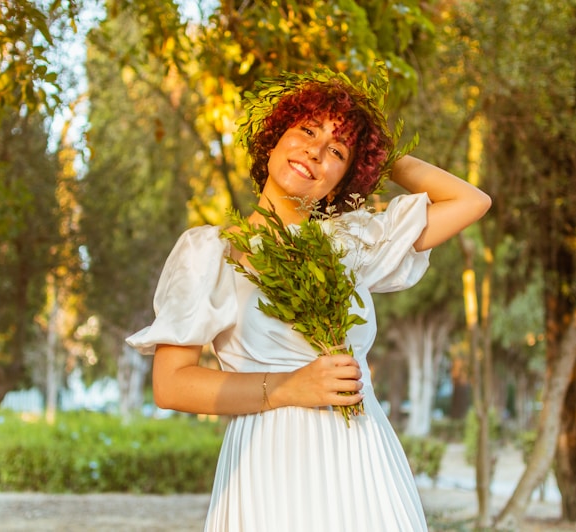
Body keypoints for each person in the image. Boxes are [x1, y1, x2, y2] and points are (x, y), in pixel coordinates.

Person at [127, 68, 491, 532]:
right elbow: (171, 385)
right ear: (277, 137)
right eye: (307, 130)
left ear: (343, 181)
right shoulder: (208, 252)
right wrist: (288, 387)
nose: (315, 151)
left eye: (337, 151)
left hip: (364, 459)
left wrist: (377, 151)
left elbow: (469, 201)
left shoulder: (349, 241)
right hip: (270, 467)